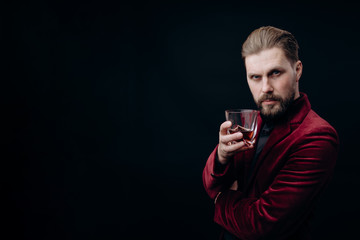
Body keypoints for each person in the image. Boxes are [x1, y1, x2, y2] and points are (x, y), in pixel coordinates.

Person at [202, 26, 339, 240]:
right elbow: (210, 182)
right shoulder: (250, 122)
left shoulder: (318, 136)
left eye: (275, 73)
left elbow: (262, 225)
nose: (265, 87)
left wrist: (220, 199)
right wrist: (221, 156)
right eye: (255, 77)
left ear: (298, 70)